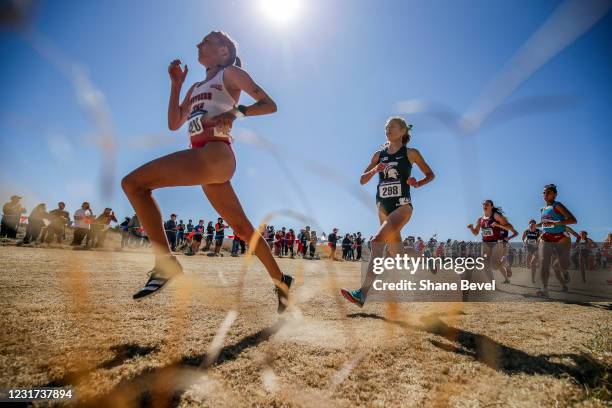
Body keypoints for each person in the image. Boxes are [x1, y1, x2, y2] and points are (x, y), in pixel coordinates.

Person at [122, 31, 293, 311]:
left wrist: (236, 113)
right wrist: (176, 85)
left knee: (134, 184)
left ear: (224, 51)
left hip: (216, 154)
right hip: (205, 159)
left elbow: (269, 105)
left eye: (208, 40)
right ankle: (281, 280)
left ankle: (165, 264)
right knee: (241, 228)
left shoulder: (232, 73)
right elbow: (174, 123)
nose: (199, 43)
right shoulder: (196, 86)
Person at [341, 117, 435, 306]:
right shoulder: (378, 155)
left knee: (377, 242)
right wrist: (376, 169)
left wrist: (417, 183)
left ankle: (362, 294)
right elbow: (362, 180)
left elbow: (430, 174)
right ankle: (424, 257)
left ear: (403, 131)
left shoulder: (411, 153)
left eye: (392, 127)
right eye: (386, 127)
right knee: (397, 253)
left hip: (402, 206)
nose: (387, 129)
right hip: (383, 207)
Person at [535, 184, 577, 298]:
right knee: (543, 262)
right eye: (544, 192)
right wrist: (536, 226)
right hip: (546, 237)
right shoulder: (542, 209)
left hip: (561, 238)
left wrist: (556, 223)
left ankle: (564, 271)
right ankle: (544, 289)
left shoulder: (557, 205)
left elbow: (573, 220)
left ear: (554, 195)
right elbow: (545, 223)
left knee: (563, 264)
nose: (545, 194)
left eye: (548, 192)